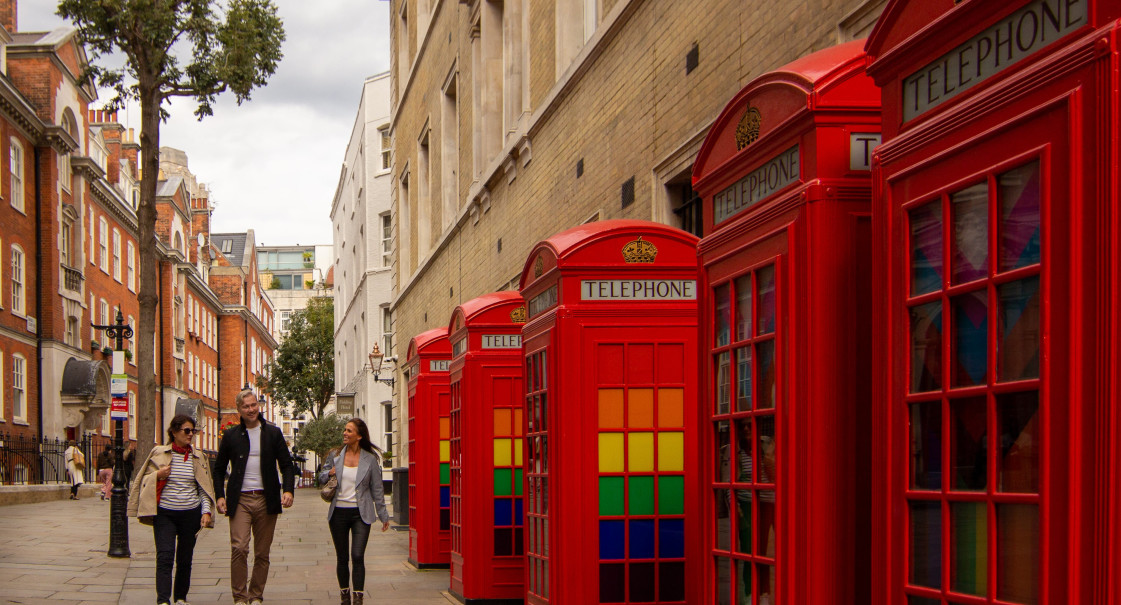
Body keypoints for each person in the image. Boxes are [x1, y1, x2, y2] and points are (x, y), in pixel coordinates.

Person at [214, 389, 296, 605]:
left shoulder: (272, 433)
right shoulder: (231, 435)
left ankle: (256, 595)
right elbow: (219, 468)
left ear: (258, 407)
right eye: (246, 407)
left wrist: (288, 490)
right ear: (239, 410)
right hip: (240, 499)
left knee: (262, 552)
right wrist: (219, 496)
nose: (250, 410)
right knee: (239, 547)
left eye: (253, 405)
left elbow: (287, 465)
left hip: (266, 499)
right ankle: (240, 597)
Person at [127, 415, 216, 605]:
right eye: (186, 430)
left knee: (185, 559)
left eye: (193, 431)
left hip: (190, 513)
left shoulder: (198, 456)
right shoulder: (160, 453)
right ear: (174, 432)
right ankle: (163, 600)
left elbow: (204, 488)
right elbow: (142, 480)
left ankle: (181, 598)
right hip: (165, 513)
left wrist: (206, 511)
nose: (190, 434)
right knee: (165, 556)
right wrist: (158, 475)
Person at [318, 418, 391, 605]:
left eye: (349, 431)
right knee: (342, 557)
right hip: (338, 514)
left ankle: (358, 597)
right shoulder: (335, 455)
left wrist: (383, 515)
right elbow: (321, 477)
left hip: (361, 513)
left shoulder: (370, 460)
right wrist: (330, 473)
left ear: (358, 436)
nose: (345, 433)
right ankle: (345, 596)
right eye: (345, 430)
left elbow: (377, 489)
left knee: (357, 555)